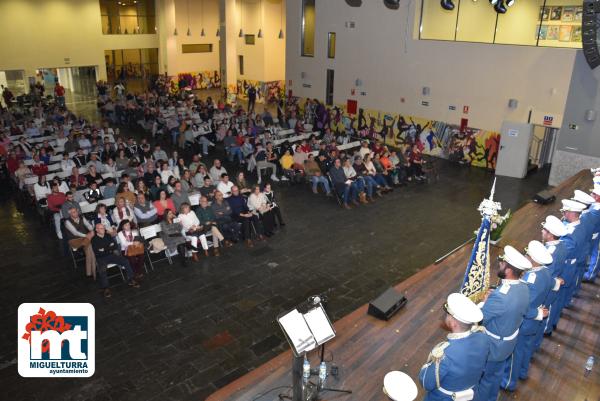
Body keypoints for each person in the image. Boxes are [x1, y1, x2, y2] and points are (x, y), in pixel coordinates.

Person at [478, 246, 531, 401]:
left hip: (494, 345)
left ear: (508, 270)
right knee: (497, 374)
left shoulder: (500, 297)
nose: (499, 264)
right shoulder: (524, 287)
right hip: (509, 341)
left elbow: (480, 318)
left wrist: (484, 302)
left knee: (485, 379)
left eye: (502, 263)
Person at [501, 241, 552, 392]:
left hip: (525, 322)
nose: (526, 256)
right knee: (526, 348)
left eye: (527, 254)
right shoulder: (546, 272)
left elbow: (523, 306)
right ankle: (523, 371)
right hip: (535, 321)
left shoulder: (530, 279)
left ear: (533, 259)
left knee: (515, 354)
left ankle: (508, 381)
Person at [419, 293, 489, 401]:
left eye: (448, 315)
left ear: (453, 323)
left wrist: (426, 366)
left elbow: (426, 382)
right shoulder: (483, 337)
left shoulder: (446, 354)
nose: (446, 317)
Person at [538, 215, 568, 341]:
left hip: (547, 289)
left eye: (544, 229)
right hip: (554, 282)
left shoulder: (549, 253)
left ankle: (546, 331)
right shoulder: (561, 245)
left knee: (543, 312)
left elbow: (545, 276)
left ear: (550, 235)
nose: (541, 231)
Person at [91, 223, 139, 298]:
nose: (103, 229)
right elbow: (97, 252)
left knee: (125, 261)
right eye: (101, 228)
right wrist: (109, 247)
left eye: (103, 228)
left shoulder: (108, 235)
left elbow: (115, 246)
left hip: (111, 255)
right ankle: (106, 288)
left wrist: (104, 249)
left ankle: (131, 279)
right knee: (102, 269)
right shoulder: (94, 240)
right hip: (101, 258)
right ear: (96, 230)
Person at [558, 199, 587, 309]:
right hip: (574, 263)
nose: (563, 214)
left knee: (558, 297)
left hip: (566, 266)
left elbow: (563, 253)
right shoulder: (581, 224)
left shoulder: (570, 234)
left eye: (564, 212)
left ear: (570, 213)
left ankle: (552, 322)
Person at [64, 207, 97, 278]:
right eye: (73, 212)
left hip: (85, 239)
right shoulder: (67, 222)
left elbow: (88, 225)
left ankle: (90, 273)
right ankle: (93, 271)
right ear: (69, 213)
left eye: (76, 211)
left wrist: (91, 230)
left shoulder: (81, 217)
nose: (75, 213)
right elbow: (75, 233)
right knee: (90, 245)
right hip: (74, 240)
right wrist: (87, 235)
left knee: (89, 249)